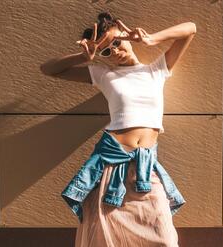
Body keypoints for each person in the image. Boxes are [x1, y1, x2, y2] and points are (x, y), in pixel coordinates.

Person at [41, 11, 196, 247]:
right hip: (110, 167)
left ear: (126, 35)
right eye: (106, 50)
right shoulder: (105, 75)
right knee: (105, 239)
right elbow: (48, 69)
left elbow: (190, 28)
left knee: (165, 238)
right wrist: (82, 57)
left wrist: (151, 39)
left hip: (145, 168)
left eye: (116, 42)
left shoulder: (155, 71)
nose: (113, 51)